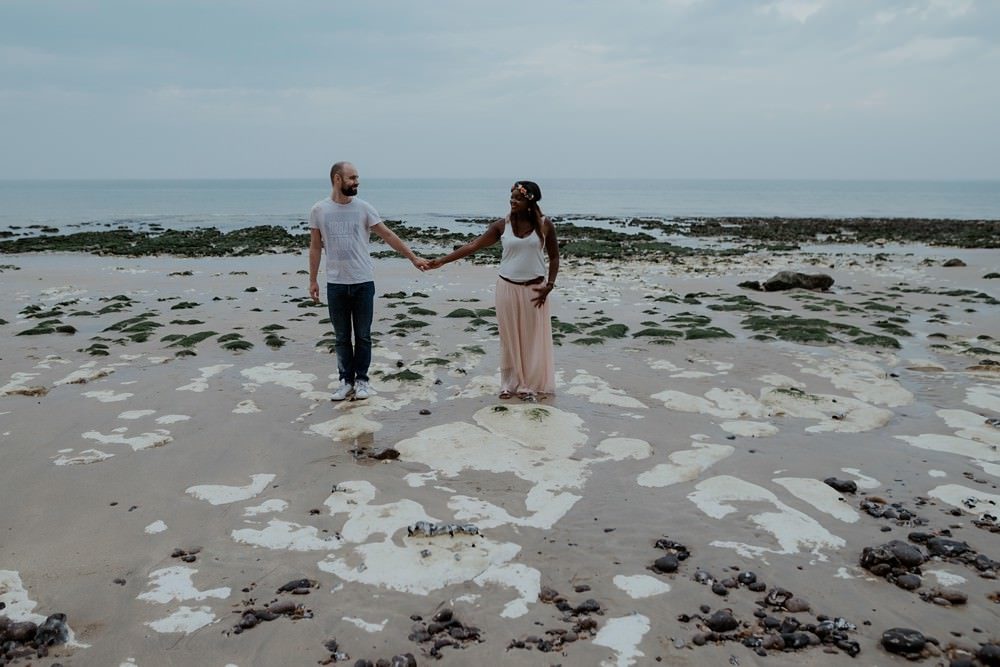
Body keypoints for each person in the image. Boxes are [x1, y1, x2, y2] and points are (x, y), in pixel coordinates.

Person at [309, 161, 429, 401]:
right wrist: (312, 280)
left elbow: (388, 235)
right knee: (341, 337)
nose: (357, 182)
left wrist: (413, 258)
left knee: (363, 335)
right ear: (337, 179)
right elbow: (315, 247)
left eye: (357, 178)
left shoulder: (364, 208)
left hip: (363, 281)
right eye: (352, 178)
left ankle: (362, 381)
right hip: (335, 284)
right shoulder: (319, 210)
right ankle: (345, 381)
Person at [429, 181, 558, 401]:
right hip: (507, 287)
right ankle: (508, 383)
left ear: (530, 201)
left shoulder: (545, 225)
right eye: (511, 197)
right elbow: (473, 246)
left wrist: (550, 285)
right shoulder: (502, 225)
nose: (512, 201)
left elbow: (554, 257)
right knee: (509, 338)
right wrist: (441, 261)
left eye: (517, 197)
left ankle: (528, 383)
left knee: (531, 338)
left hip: (535, 289)